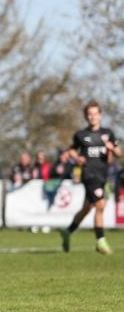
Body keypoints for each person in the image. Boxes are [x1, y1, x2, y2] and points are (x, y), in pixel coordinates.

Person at [60, 101, 120, 255]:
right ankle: (101, 241)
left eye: (95, 113)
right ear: (86, 116)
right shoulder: (81, 135)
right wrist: (77, 157)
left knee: (87, 208)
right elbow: (71, 150)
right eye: (89, 114)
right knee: (100, 204)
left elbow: (119, 153)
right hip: (88, 174)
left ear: (100, 115)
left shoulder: (108, 133)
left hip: (102, 174)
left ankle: (68, 231)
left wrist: (112, 148)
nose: (93, 117)